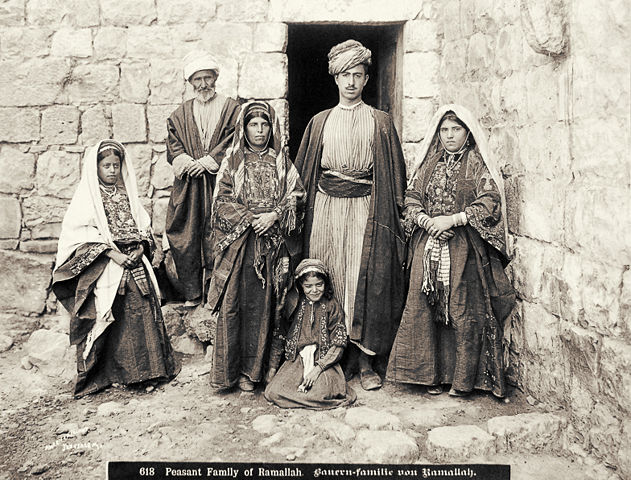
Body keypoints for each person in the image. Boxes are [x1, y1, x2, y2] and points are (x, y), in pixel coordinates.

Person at [291, 39, 407, 390]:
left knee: (362, 279)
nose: (351, 82)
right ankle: (329, 357)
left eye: (358, 75)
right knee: (329, 277)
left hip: (364, 211)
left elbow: (395, 178)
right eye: (345, 75)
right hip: (326, 209)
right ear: (335, 78)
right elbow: (301, 175)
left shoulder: (381, 122)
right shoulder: (319, 122)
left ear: (366, 79)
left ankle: (365, 360)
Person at [387, 105, 516, 398]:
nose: (449, 136)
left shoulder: (475, 164)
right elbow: (412, 197)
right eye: (444, 130)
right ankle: (428, 376)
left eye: (455, 129)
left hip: (463, 247)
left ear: (467, 132)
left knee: (461, 307)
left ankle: (462, 380)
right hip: (428, 241)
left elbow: (490, 201)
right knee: (422, 304)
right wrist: (428, 222)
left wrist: (455, 219)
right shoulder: (431, 163)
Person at [52, 140, 179, 398]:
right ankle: (122, 374)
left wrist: (141, 249)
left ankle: (152, 371)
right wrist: (113, 254)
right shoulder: (88, 200)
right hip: (108, 264)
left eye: (116, 166)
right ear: (96, 167)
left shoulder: (125, 195)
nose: (111, 170)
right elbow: (79, 236)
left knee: (144, 308)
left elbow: (142, 227)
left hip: (135, 260)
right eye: (106, 165)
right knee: (117, 315)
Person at [208, 101, 305, 392]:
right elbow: (220, 202)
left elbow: (298, 196)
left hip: (273, 244)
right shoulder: (233, 162)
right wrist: (251, 219)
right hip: (242, 246)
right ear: (244, 128)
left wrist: (274, 215)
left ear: (271, 128)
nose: (259, 131)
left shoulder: (282, 163)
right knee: (237, 305)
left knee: (268, 307)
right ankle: (231, 373)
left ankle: (258, 373)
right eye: (253, 124)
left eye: (264, 125)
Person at [165, 50, 240, 307]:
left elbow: (235, 140)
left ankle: (216, 294)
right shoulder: (179, 115)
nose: (203, 84)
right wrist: (188, 163)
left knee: (219, 235)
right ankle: (192, 293)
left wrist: (209, 162)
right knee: (185, 235)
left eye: (207, 78)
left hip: (222, 183)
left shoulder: (232, 109)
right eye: (197, 79)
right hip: (189, 186)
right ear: (190, 83)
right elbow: (173, 146)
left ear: (215, 78)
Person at [264, 259, 357, 409]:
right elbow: (280, 335)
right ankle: (306, 399)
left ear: (325, 284)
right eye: (308, 286)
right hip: (297, 359)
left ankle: (305, 398)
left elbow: (338, 343)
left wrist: (318, 369)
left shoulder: (331, 305)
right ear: (300, 286)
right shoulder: (293, 303)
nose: (314, 290)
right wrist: (272, 368)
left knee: (322, 392)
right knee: (273, 392)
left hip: (323, 361)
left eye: (319, 285)